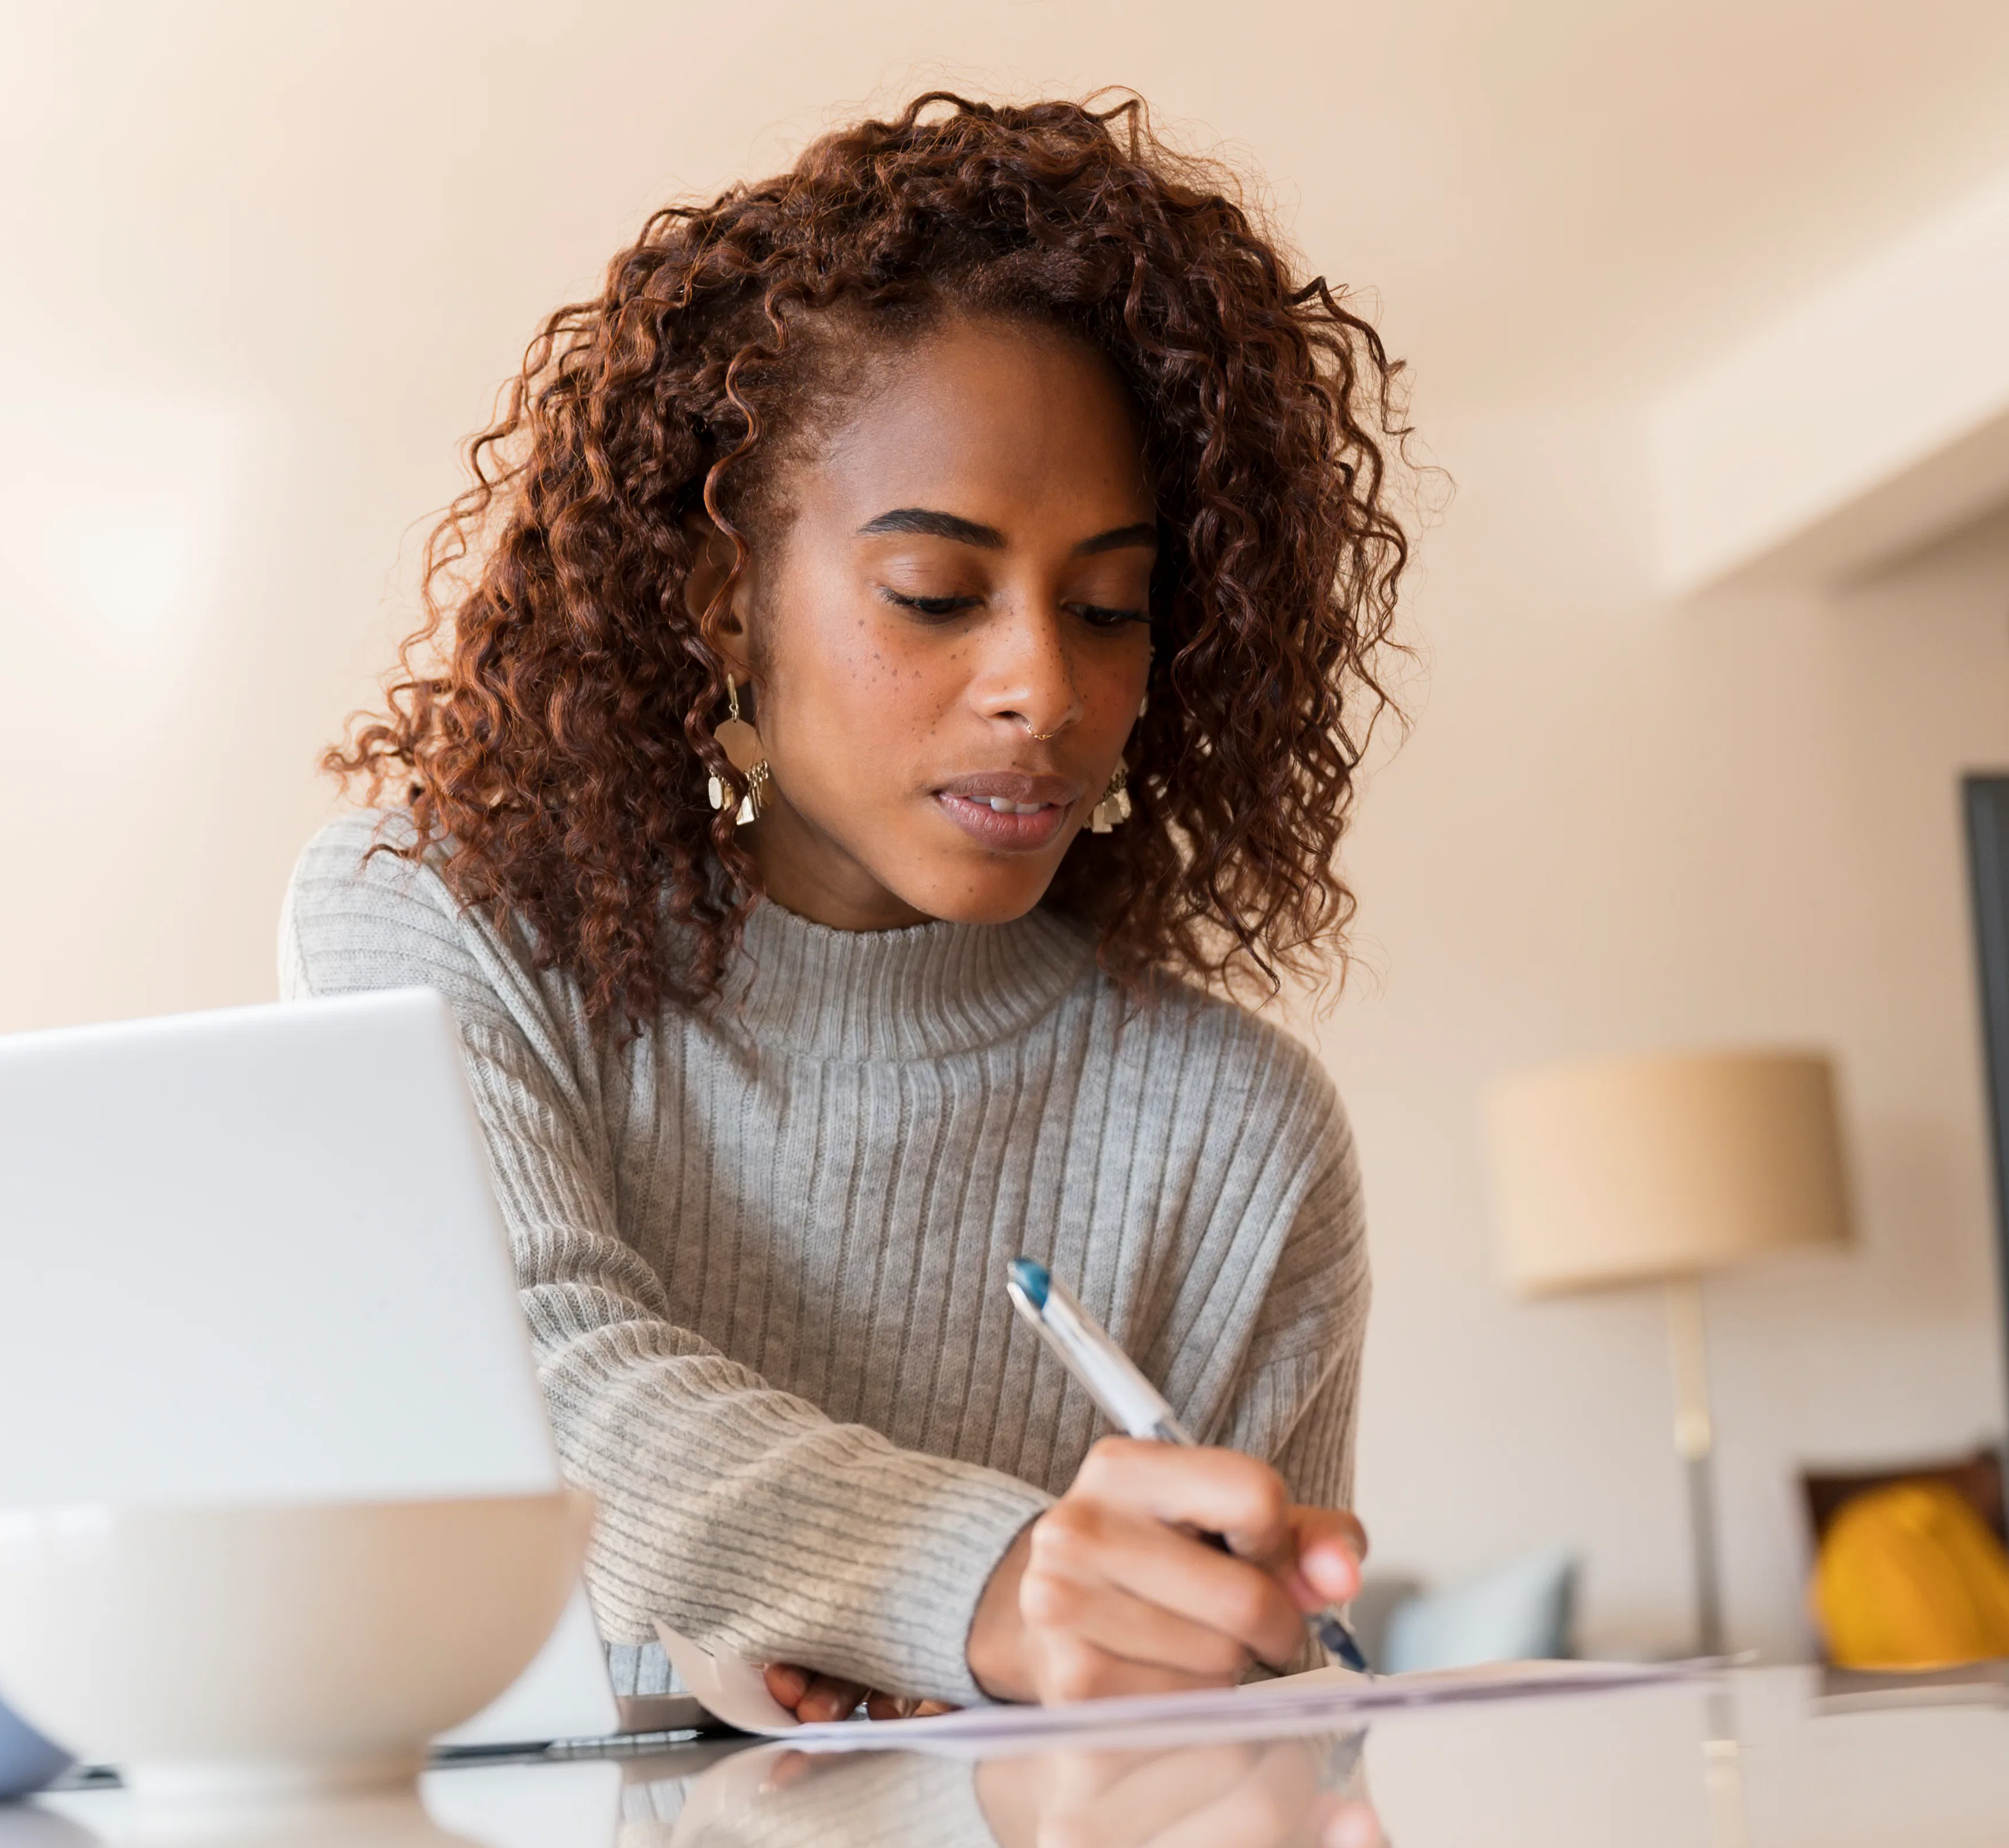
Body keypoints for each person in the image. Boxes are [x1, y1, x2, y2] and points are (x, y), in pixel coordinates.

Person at [284, 92, 1411, 1721]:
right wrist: (984, 1589)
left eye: (1108, 606)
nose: (1044, 685)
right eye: (935, 595)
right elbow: (520, 1375)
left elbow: (1251, 1749)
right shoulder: (441, 914)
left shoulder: (1236, 1136)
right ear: (720, 596)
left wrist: (1233, 1670)